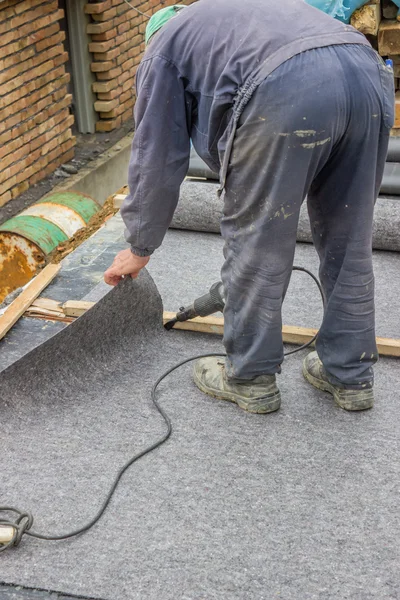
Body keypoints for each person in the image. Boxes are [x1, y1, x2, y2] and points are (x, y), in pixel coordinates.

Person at [104, 0, 394, 414]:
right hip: (366, 75)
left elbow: (156, 157)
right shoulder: (229, 22)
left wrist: (139, 247)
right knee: (350, 237)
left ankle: (251, 377)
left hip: (287, 88)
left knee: (258, 240)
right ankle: (350, 376)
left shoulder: (162, 49)